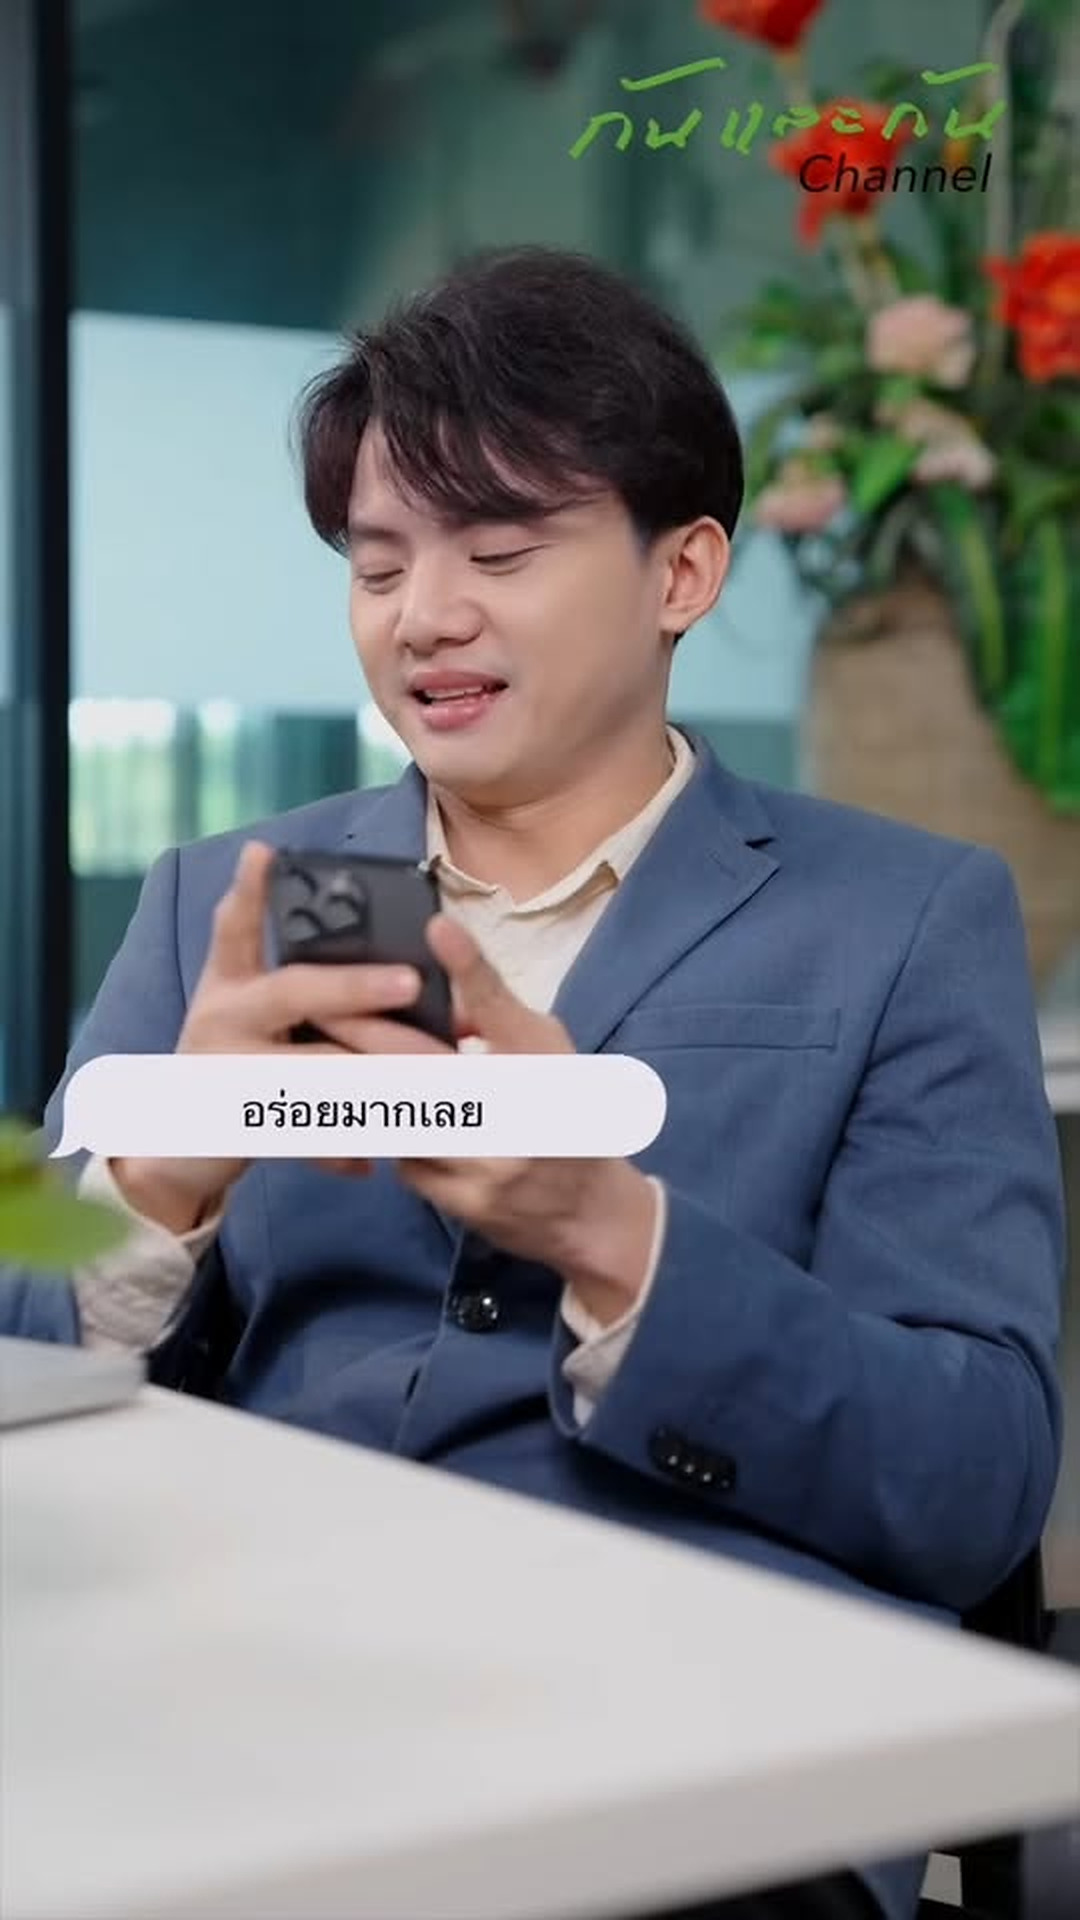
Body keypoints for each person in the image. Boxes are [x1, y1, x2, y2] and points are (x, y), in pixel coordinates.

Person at [0, 245, 1065, 1920]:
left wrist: (613, 1239)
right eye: (377, 565)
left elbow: (971, 1476)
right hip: (249, 1703)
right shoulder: (225, 900)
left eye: (499, 552)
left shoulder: (903, 917)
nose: (424, 616)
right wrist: (165, 1167)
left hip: (697, 1744)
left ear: (682, 571)